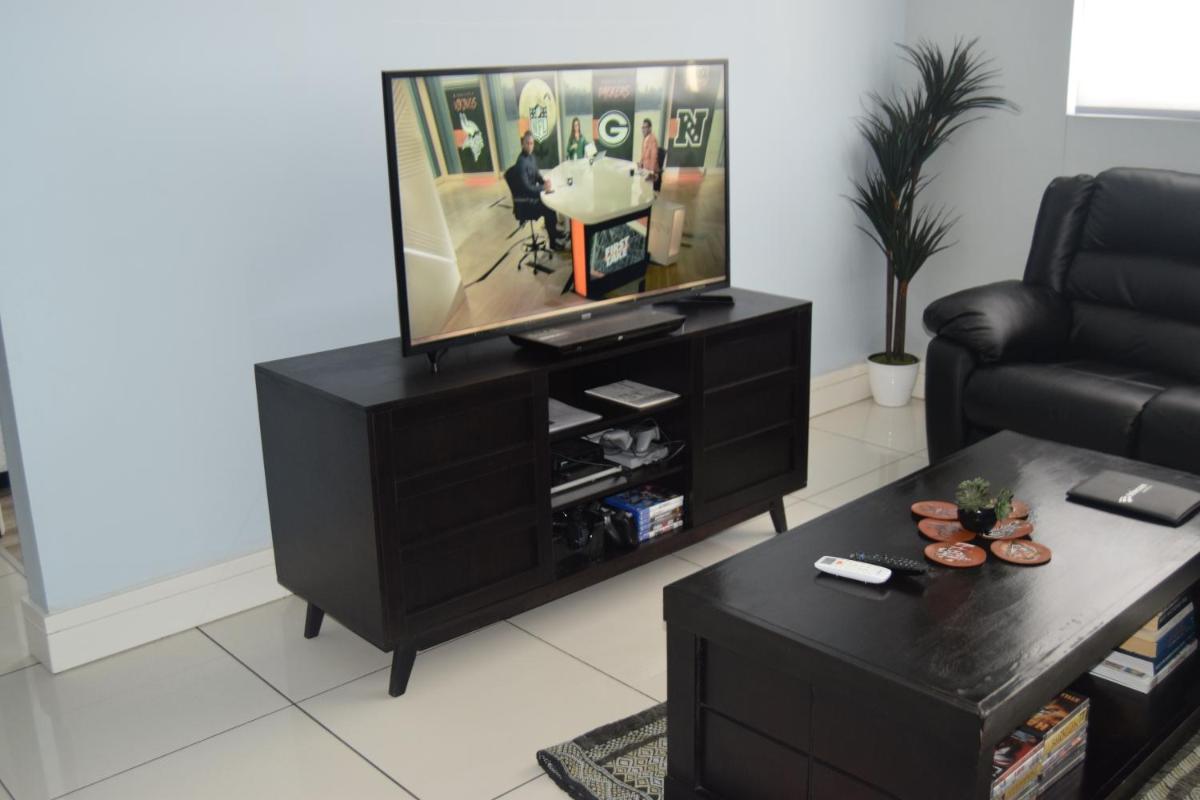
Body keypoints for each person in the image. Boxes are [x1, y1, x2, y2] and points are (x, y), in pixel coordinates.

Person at [512, 130, 563, 249]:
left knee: (551, 200)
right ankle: (553, 243)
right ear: (523, 144)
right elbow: (526, 189)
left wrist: (544, 182)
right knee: (548, 207)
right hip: (525, 203)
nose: (530, 146)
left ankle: (554, 233)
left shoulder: (531, 157)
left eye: (531, 143)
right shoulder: (521, 163)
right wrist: (542, 187)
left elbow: (536, 174)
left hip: (531, 195)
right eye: (527, 143)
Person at [638, 118, 659, 182]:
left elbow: (653, 157)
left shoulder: (652, 140)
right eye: (643, 127)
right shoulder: (645, 138)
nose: (643, 130)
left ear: (650, 128)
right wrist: (640, 163)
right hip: (644, 168)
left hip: (650, 171)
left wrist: (651, 172)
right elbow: (643, 154)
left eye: (645, 127)